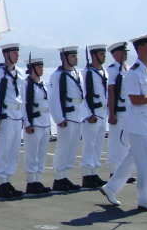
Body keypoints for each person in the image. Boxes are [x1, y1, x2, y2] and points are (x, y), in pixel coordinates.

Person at [100, 32, 147, 211]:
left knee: (132, 157)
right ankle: (145, 199)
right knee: (146, 161)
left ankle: (111, 187)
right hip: (138, 123)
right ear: (141, 48)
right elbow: (135, 99)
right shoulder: (133, 73)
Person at [48, 46, 89, 192]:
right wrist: (58, 118)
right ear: (64, 58)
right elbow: (53, 99)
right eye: (72, 56)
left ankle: (65, 176)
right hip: (67, 116)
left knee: (72, 149)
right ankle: (58, 178)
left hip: (77, 115)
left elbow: (82, 97)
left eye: (76, 56)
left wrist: (85, 115)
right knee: (63, 148)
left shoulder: (77, 73)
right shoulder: (57, 75)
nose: (76, 58)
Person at [0, 43, 25, 198]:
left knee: (13, 151)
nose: (17, 55)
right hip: (6, 115)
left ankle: (8, 180)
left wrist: (24, 117)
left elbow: (22, 98)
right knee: (4, 151)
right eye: (14, 53)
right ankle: (1, 183)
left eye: (17, 53)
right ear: (6, 54)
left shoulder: (19, 73)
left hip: (17, 115)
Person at [80, 44, 109, 188]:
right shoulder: (86, 73)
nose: (104, 56)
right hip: (92, 113)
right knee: (89, 145)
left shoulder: (103, 72)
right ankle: (87, 174)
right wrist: (88, 114)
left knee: (98, 145)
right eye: (101, 54)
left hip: (102, 113)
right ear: (94, 55)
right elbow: (83, 96)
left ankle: (94, 172)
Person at [23, 56, 53, 194]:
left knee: (41, 154)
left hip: (45, 123)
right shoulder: (26, 84)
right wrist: (27, 123)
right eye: (39, 67)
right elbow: (24, 104)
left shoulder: (43, 84)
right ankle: (31, 181)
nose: (42, 69)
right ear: (32, 69)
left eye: (42, 67)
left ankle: (38, 180)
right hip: (34, 123)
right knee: (32, 155)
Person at [106, 41, 134, 182]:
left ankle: (122, 172)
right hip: (118, 110)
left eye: (126, 52)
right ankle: (113, 171)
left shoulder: (128, 69)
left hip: (128, 110)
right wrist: (111, 113)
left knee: (125, 142)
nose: (126, 54)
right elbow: (111, 93)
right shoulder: (112, 70)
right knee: (115, 142)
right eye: (123, 52)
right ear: (115, 54)